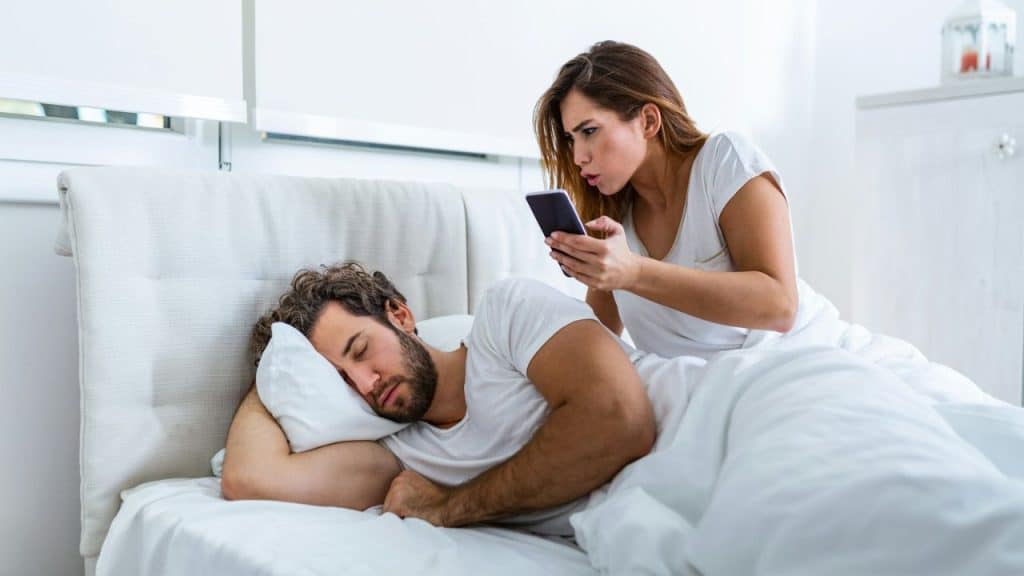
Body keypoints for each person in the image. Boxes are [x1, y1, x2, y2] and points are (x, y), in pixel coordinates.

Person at [220, 262, 661, 534]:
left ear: (400, 314)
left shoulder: (506, 317)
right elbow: (249, 479)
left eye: (360, 351)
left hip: (706, 416)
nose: (366, 383)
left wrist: (449, 507)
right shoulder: (405, 458)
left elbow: (620, 418)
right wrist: (280, 364)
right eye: (342, 382)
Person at [534, 40, 826, 360]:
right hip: (703, 390)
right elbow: (597, 346)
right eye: (570, 138)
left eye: (589, 131)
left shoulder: (725, 161)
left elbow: (780, 306)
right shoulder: (615, 219)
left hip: (799, 358)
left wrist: (635, 273)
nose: (577, 157)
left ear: (647, 121)